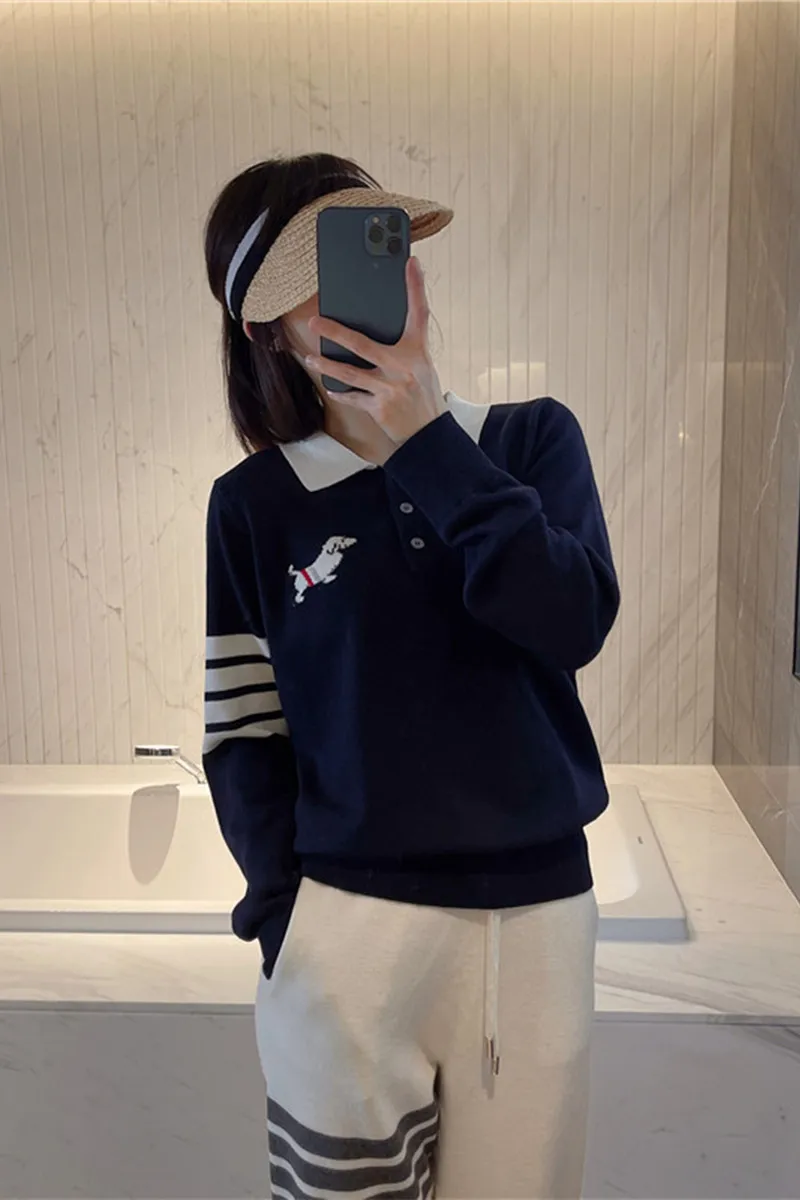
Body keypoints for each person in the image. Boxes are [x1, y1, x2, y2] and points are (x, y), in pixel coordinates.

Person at [202, 152, 620, 1200]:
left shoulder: (527, 441)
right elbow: (244, 731)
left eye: (371, 253)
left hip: (534, 931)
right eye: (316, 276)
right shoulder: (254, 505)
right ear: (267, 329)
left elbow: (572, 621)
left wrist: (427, 440)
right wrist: (287, 925)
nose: (363, 293)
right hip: (344, 940)